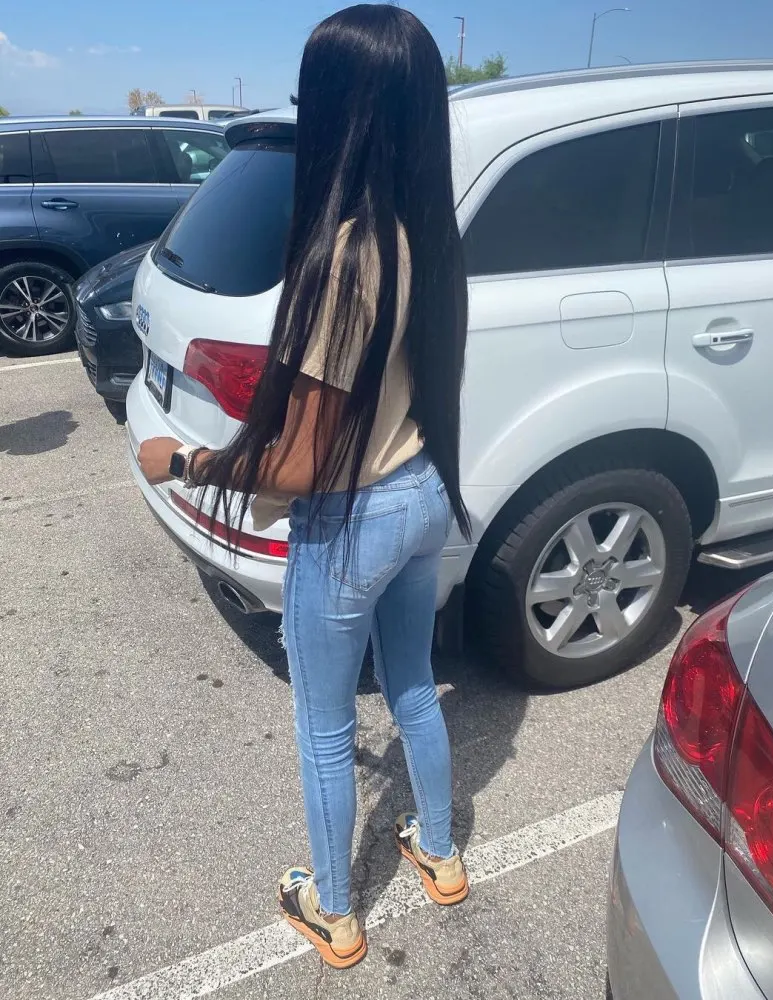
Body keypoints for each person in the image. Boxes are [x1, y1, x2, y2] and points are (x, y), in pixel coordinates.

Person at [137, 3, 470, 970]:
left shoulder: (347, 254)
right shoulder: (424, 230)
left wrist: (184, 462)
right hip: (421, 492)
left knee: (325, 729)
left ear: (340, 110)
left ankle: (335, 913)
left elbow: (301, 465)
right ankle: (440, 854)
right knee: (413, 688)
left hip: (355, 519)